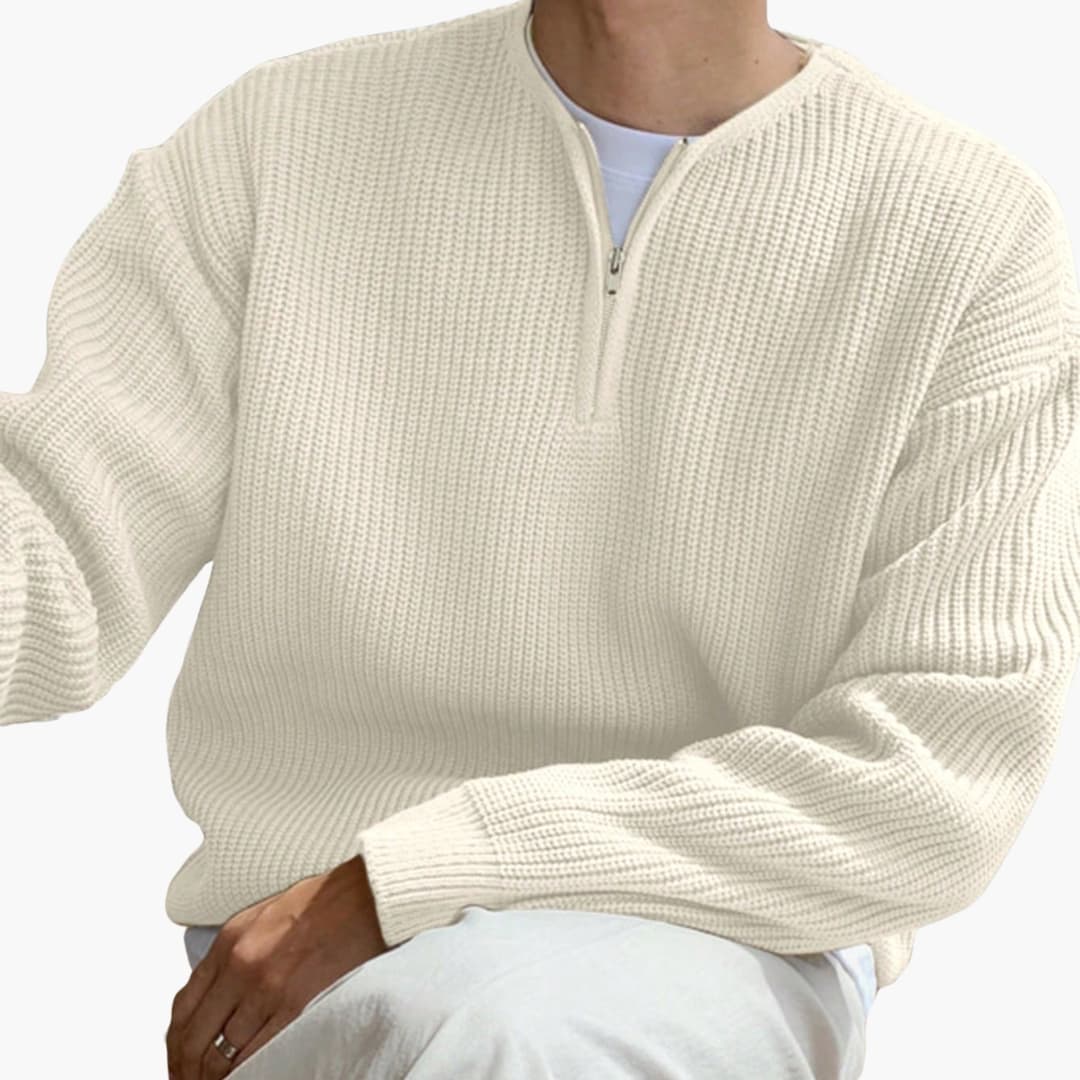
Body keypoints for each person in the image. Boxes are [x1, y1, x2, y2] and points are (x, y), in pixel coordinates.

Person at [3, 0, 1078, 1076]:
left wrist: (410, 876)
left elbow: (936, 783)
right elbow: (56, 574)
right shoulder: (274, 143)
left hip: (721, 939)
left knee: (523, 1036)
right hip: (295, 959)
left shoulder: (971, 232)